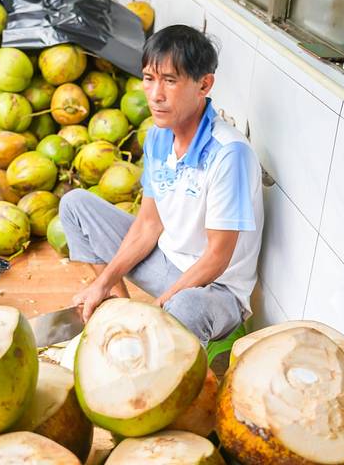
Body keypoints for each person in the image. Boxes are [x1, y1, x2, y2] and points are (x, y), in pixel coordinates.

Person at [59, 24, 264, 346]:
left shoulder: (229, 153)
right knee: (74, 204)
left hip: (215, 290)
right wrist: (104, 282)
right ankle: (118, 312)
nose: (156, 94)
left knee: (185, 307)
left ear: (204, 84)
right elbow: (148, 225)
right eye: (149, 78)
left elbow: (217, 257)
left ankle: (154, 329)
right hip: (165, 262)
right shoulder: (157, 137)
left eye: (170, 80)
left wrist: (158, 307)